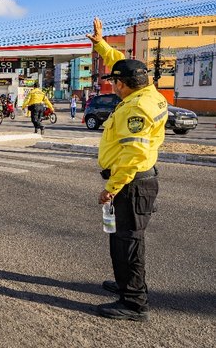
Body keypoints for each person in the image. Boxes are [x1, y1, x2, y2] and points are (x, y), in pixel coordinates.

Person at [88, 16, 167, 322]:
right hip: (134, 181)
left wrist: (111, 188)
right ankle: (124, 285)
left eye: (114, 83)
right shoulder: (147, 90)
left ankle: (134, 302)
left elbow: (134, 154)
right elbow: (122, 61)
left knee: (130, 241)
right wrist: (101, 45)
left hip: (132, 183)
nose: (113, 86)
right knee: (120, 238)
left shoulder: (137, 107)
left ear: (122, 85)